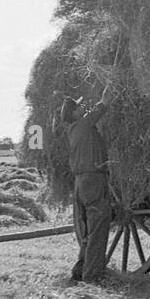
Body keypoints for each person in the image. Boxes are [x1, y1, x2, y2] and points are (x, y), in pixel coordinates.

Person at [62, 95, 112, 283]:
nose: (82, 108)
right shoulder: (83, 125)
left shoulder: (74, 129)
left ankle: (80, 271)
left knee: (88, 231)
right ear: (74, 113)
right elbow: (103, 105)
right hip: (93, 181)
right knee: (98, 230)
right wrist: (110, 84)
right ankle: (92, 277)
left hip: (80, 184)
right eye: (79, 107)